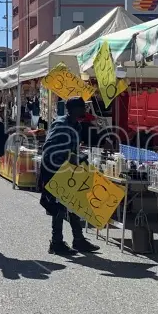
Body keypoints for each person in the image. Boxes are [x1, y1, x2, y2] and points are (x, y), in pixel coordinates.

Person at [37, 96, 100, 256]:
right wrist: (72, 157)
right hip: (54, 169)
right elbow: (50, 149)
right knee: (58, 207)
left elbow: (72, 148)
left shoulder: (76, 125)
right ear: (73, 110)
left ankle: (78, 240)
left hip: (68, 169)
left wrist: (79, 158)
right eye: (82, 107)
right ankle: (56, 242)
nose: (84, 110)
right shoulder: (61, 124)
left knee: (74, 203)